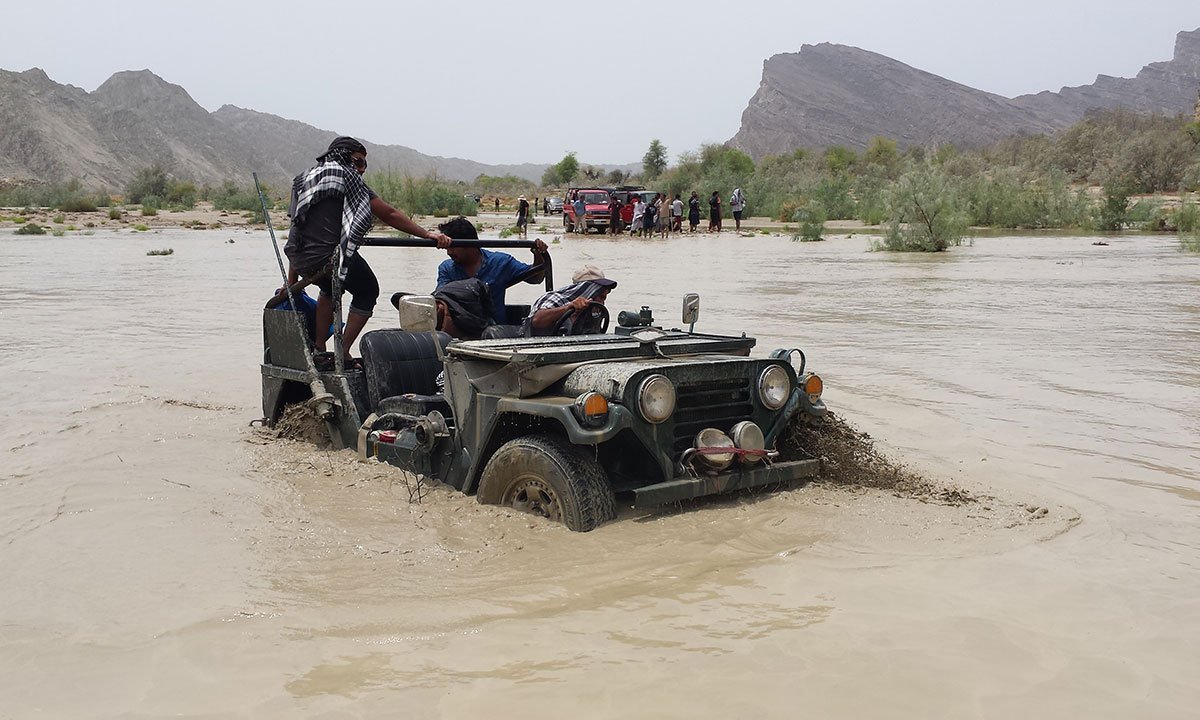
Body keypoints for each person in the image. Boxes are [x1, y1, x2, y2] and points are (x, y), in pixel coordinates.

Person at [280, 136, 451, 367]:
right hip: (328, 256)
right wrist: (427, 234)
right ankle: (343, 350)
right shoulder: (346, 176)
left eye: (364, 166)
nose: (361, 170)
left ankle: (319, 348)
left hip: (302, 259)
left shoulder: (303, 180)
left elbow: (296, 228)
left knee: (329, 290)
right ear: (344, 157)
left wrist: (292, 281)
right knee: (368, 290)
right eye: (359, 162)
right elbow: (388, 214)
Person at [435, 216, 548, 324]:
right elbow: (440, 299)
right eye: (447, 248)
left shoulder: (500, 262)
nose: (449, 252)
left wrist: (538, 254)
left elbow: (535, 278)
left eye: (453, 247)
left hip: (494, 329)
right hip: (459, 328)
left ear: (469, 244)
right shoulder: (446, 269)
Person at [524, 265, 617, 337]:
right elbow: (537, 320)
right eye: (600, 296)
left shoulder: (594, 312)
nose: (601, 303)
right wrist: (568, 308)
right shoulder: (553, 298)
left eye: (604, 298)